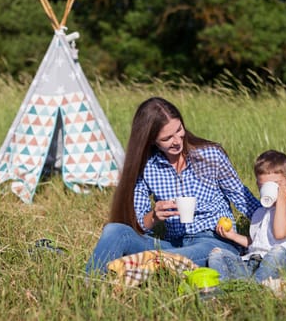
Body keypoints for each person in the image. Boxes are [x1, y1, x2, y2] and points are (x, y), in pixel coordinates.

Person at [86, 97, 261, 274]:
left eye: (179, 130)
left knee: (169, 256)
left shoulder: (210, 155)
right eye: (167, 138)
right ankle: (92, 282)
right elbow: (138, 224)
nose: (177, 140)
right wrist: (155, 216)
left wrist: (275, 230)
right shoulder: (147, 167)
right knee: (115, 230)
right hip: (174, 243)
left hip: (215, 241)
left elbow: (242, 198)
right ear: (152, 140)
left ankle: (141, 264)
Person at [208, 150, 286, 283]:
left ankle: (254, 287)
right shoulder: (260, 212)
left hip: (281, 265)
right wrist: (232, 236)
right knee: (217, 254)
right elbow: (256, 242)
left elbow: (280, 234)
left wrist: (281, 202)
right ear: (258, 186)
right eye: (264, 186)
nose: (269, 190)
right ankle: (227, 286)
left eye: (276, 185)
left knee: (277, 252)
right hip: (253, 263)